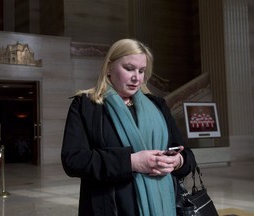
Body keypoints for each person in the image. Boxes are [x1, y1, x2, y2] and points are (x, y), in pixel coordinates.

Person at [61, 38, 196, 216]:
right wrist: (131, 162)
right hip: (110, 208)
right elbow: (73, 161)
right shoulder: (86, 105)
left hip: (164, 205)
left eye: (142, 71)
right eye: (129, 68)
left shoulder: (158, 105)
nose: (137, 78)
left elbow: (187, 155)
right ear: (109, 67)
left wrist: (177, 161)